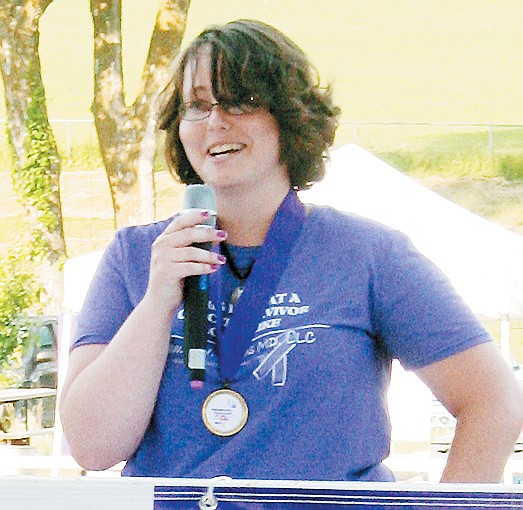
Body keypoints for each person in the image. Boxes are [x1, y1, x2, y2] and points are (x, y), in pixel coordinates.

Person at [60, 19, 523, 482]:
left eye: (241, 101)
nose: (217, 121)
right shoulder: (135, 256)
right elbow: (91, 447)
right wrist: (157, 303)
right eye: (197, 106)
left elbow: (493, 402)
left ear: (289, 116)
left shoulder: (368, 255)